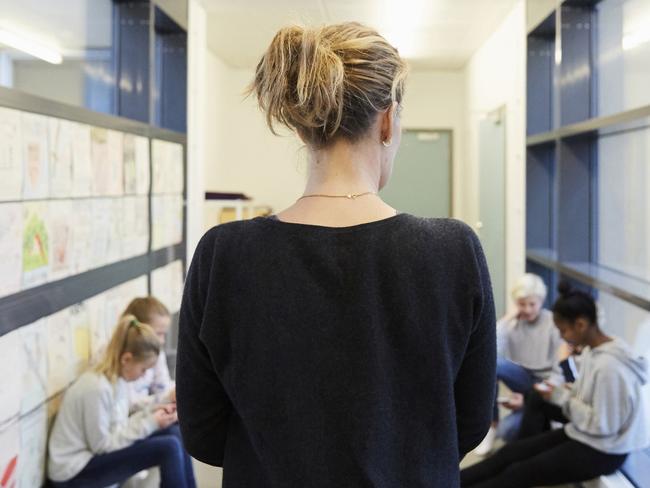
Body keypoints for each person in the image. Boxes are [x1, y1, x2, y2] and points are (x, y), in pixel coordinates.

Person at [176, 22, 496, 487]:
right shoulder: (453, 251)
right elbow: (469, 422)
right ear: (387, 121)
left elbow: (203, 432)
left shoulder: (223, 255)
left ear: (304, 129)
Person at [461, 282, 650, 488]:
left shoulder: (609, 368)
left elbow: (601, 426)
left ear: (581, 324)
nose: (561, 337)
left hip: (603, 450)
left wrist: (562, 397)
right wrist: (567, 394)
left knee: (518, 472)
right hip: (585, 434)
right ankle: (447, 481)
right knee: (510, 453)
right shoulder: (593, 350)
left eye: (563, 330)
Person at [47, 315, 196, 488]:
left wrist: (154, 412)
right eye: (143, 369)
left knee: (176, 433)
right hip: (72, 474)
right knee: (168, 448)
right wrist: (150, 422)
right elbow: (102, 446)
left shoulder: (117, 381)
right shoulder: (96, 388)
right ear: (126, 359)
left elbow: (120, 427)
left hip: (92, 457)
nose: (143, 375)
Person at [475, 273, 564, 455]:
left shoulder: (553, 324)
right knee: (493, 363)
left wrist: (530, 399)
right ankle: (492, 424)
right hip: (522, 379)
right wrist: (508, 318)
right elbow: (488, 347)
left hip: (546, 387)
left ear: (541, 301)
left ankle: (538, 416)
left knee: (508, 433)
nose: (528, 310)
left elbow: (559, 372)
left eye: (532, 304)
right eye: (522, 304)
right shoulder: (512, 324)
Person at [122, 296, 176, 410]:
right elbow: (130, 404)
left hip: (150, 411)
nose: (162, 341)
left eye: (163, 334)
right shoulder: (123, 358)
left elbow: (163, 386)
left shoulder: (156, 351)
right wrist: (166, 398)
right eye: (158, 334)